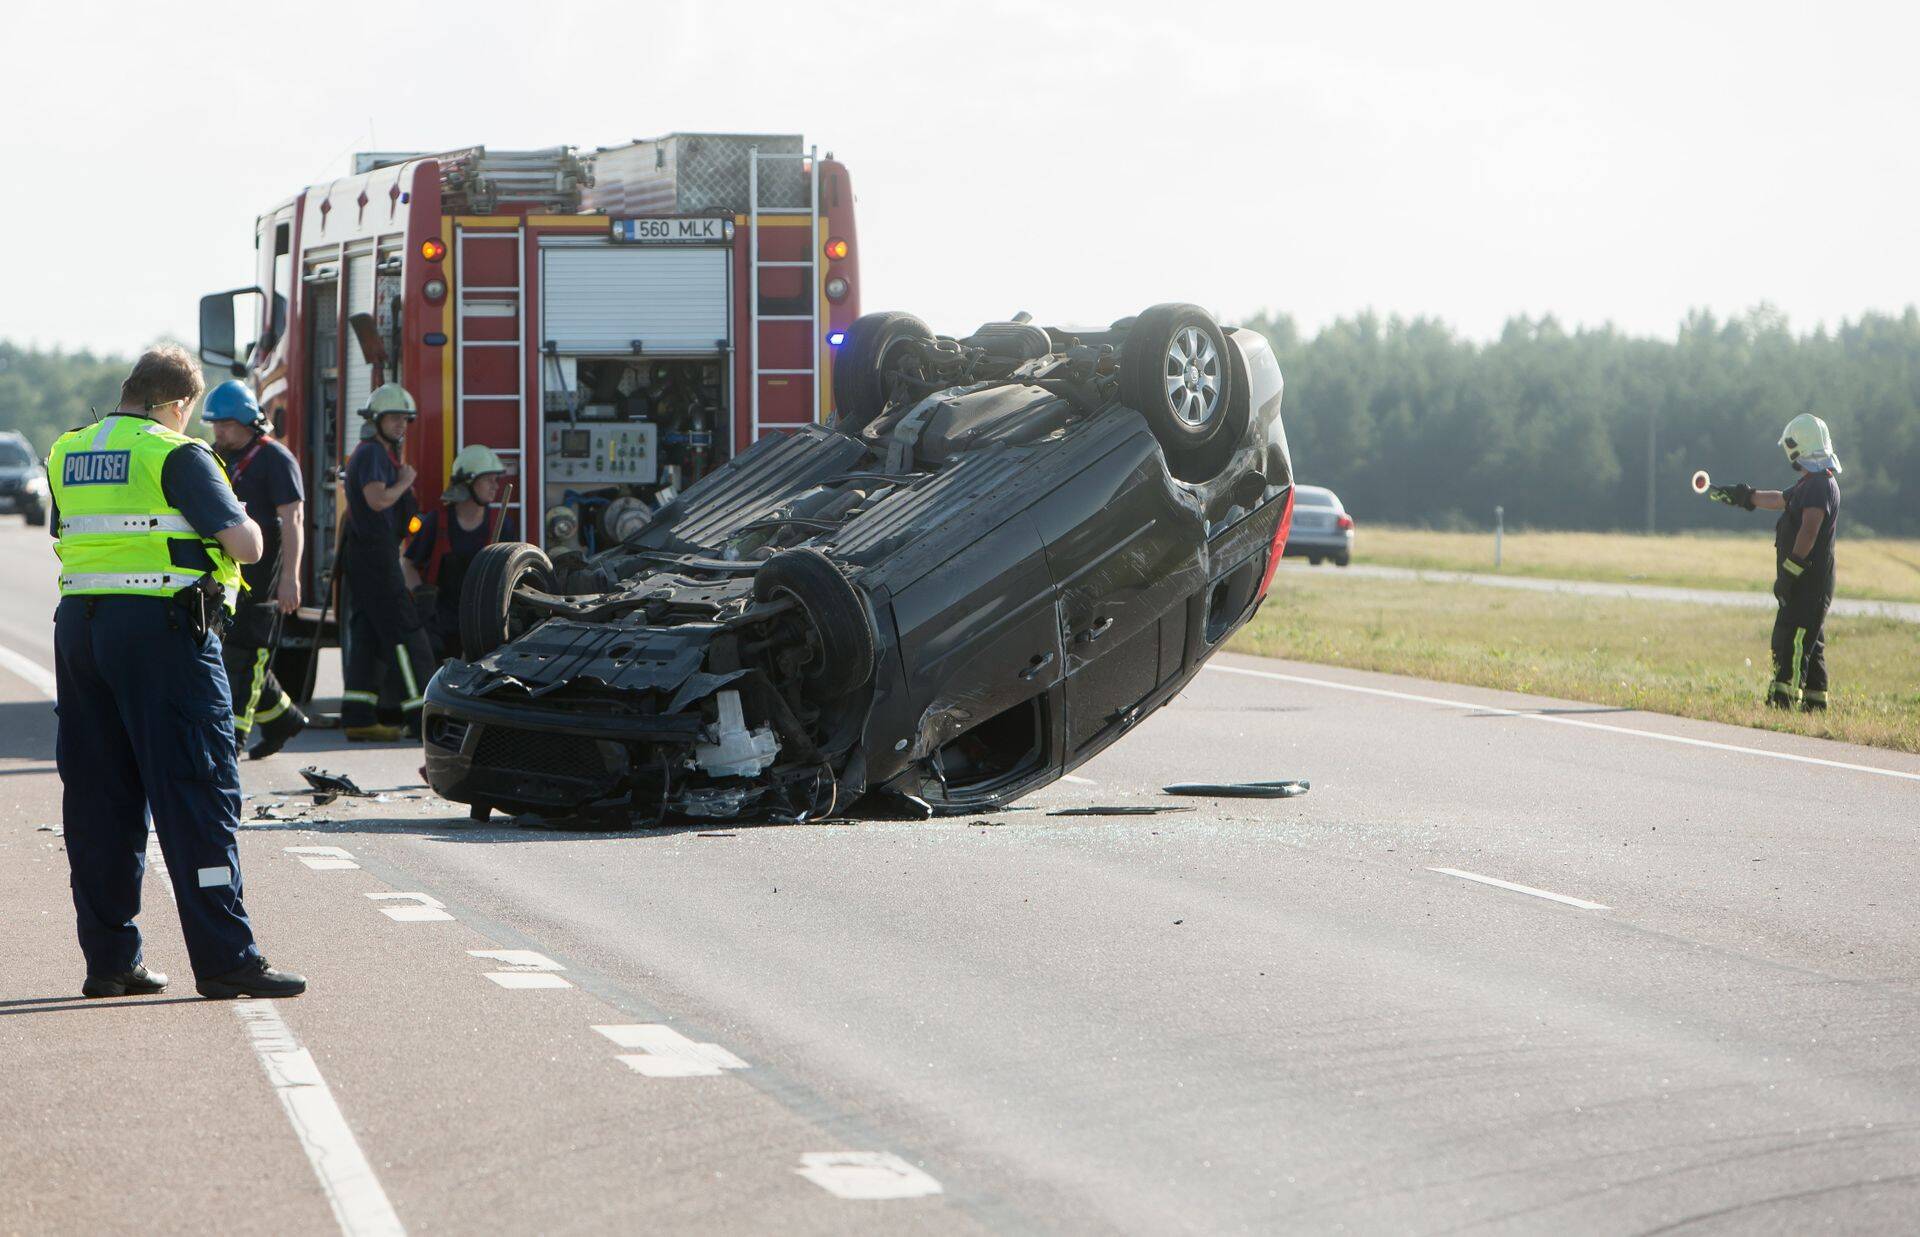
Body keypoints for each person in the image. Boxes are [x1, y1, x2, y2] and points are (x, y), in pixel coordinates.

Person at [47, 345, 306, 999]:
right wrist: (242, 518)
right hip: (163, 631)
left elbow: (71, 527)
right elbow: (244, 543)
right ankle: (226, 958)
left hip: (81, 629)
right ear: (177, 404)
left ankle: (110, 960)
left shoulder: (68, 450)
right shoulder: (175, 452)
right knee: (198, 789)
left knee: (99, 798)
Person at [1708, 412, 1843, 711]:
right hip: (1805, 579)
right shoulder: (1810, 483)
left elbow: (1810, 529)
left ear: (1799, 447)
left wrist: (1790, 571)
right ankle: (1814, 704)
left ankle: (1783, 700)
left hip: (1808, 580)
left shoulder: (1820, 486)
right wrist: (1746, 496)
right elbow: (1779, 500)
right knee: (1810, 641)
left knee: (1792, 639)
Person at [204, 380, 309, 758]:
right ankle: (285, 719)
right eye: (214, 424)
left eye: (226, 424)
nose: (218, 431)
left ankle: (231, 741)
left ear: (248, 421)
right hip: (229, 578)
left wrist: (290, 578)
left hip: (265, 581)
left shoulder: (276, 460)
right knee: (234, 651)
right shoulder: (219, 456)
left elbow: (293, 520)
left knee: (247, 658)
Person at [340, 383, 436, 741]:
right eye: (393, 418)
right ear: (376, 421)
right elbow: (378, 500)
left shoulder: (378, 454)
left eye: (404, 419)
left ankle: (359, 715)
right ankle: (421, 716)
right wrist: (406, 482)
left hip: (370, 555)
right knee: (405, 632)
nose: (401, 425)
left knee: (367, 635)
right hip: (375, 559)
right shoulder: (372, 455)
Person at [403, 443, 508, 662]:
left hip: (482, 626)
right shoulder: (437, 522)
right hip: (440, 627)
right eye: (488, 479)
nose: (495, 486)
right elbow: (408, 563)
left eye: (496, 480)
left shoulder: (500, 524)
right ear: (469, 482)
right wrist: (420, 596)